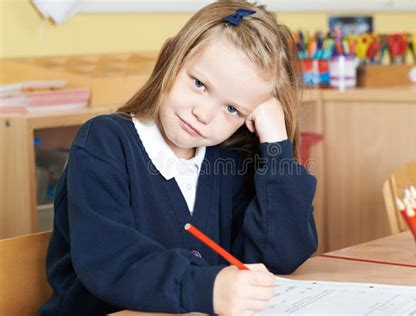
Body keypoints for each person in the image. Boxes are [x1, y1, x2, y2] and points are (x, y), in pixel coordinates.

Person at [39, 1, 318, 315]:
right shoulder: (103, 144)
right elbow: (111, 260)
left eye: (232, 109)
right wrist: (206, 288)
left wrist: (276, 143)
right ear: (169, 57)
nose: (203, 113)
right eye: (199, 84)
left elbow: (281, 255)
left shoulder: (228, 161)